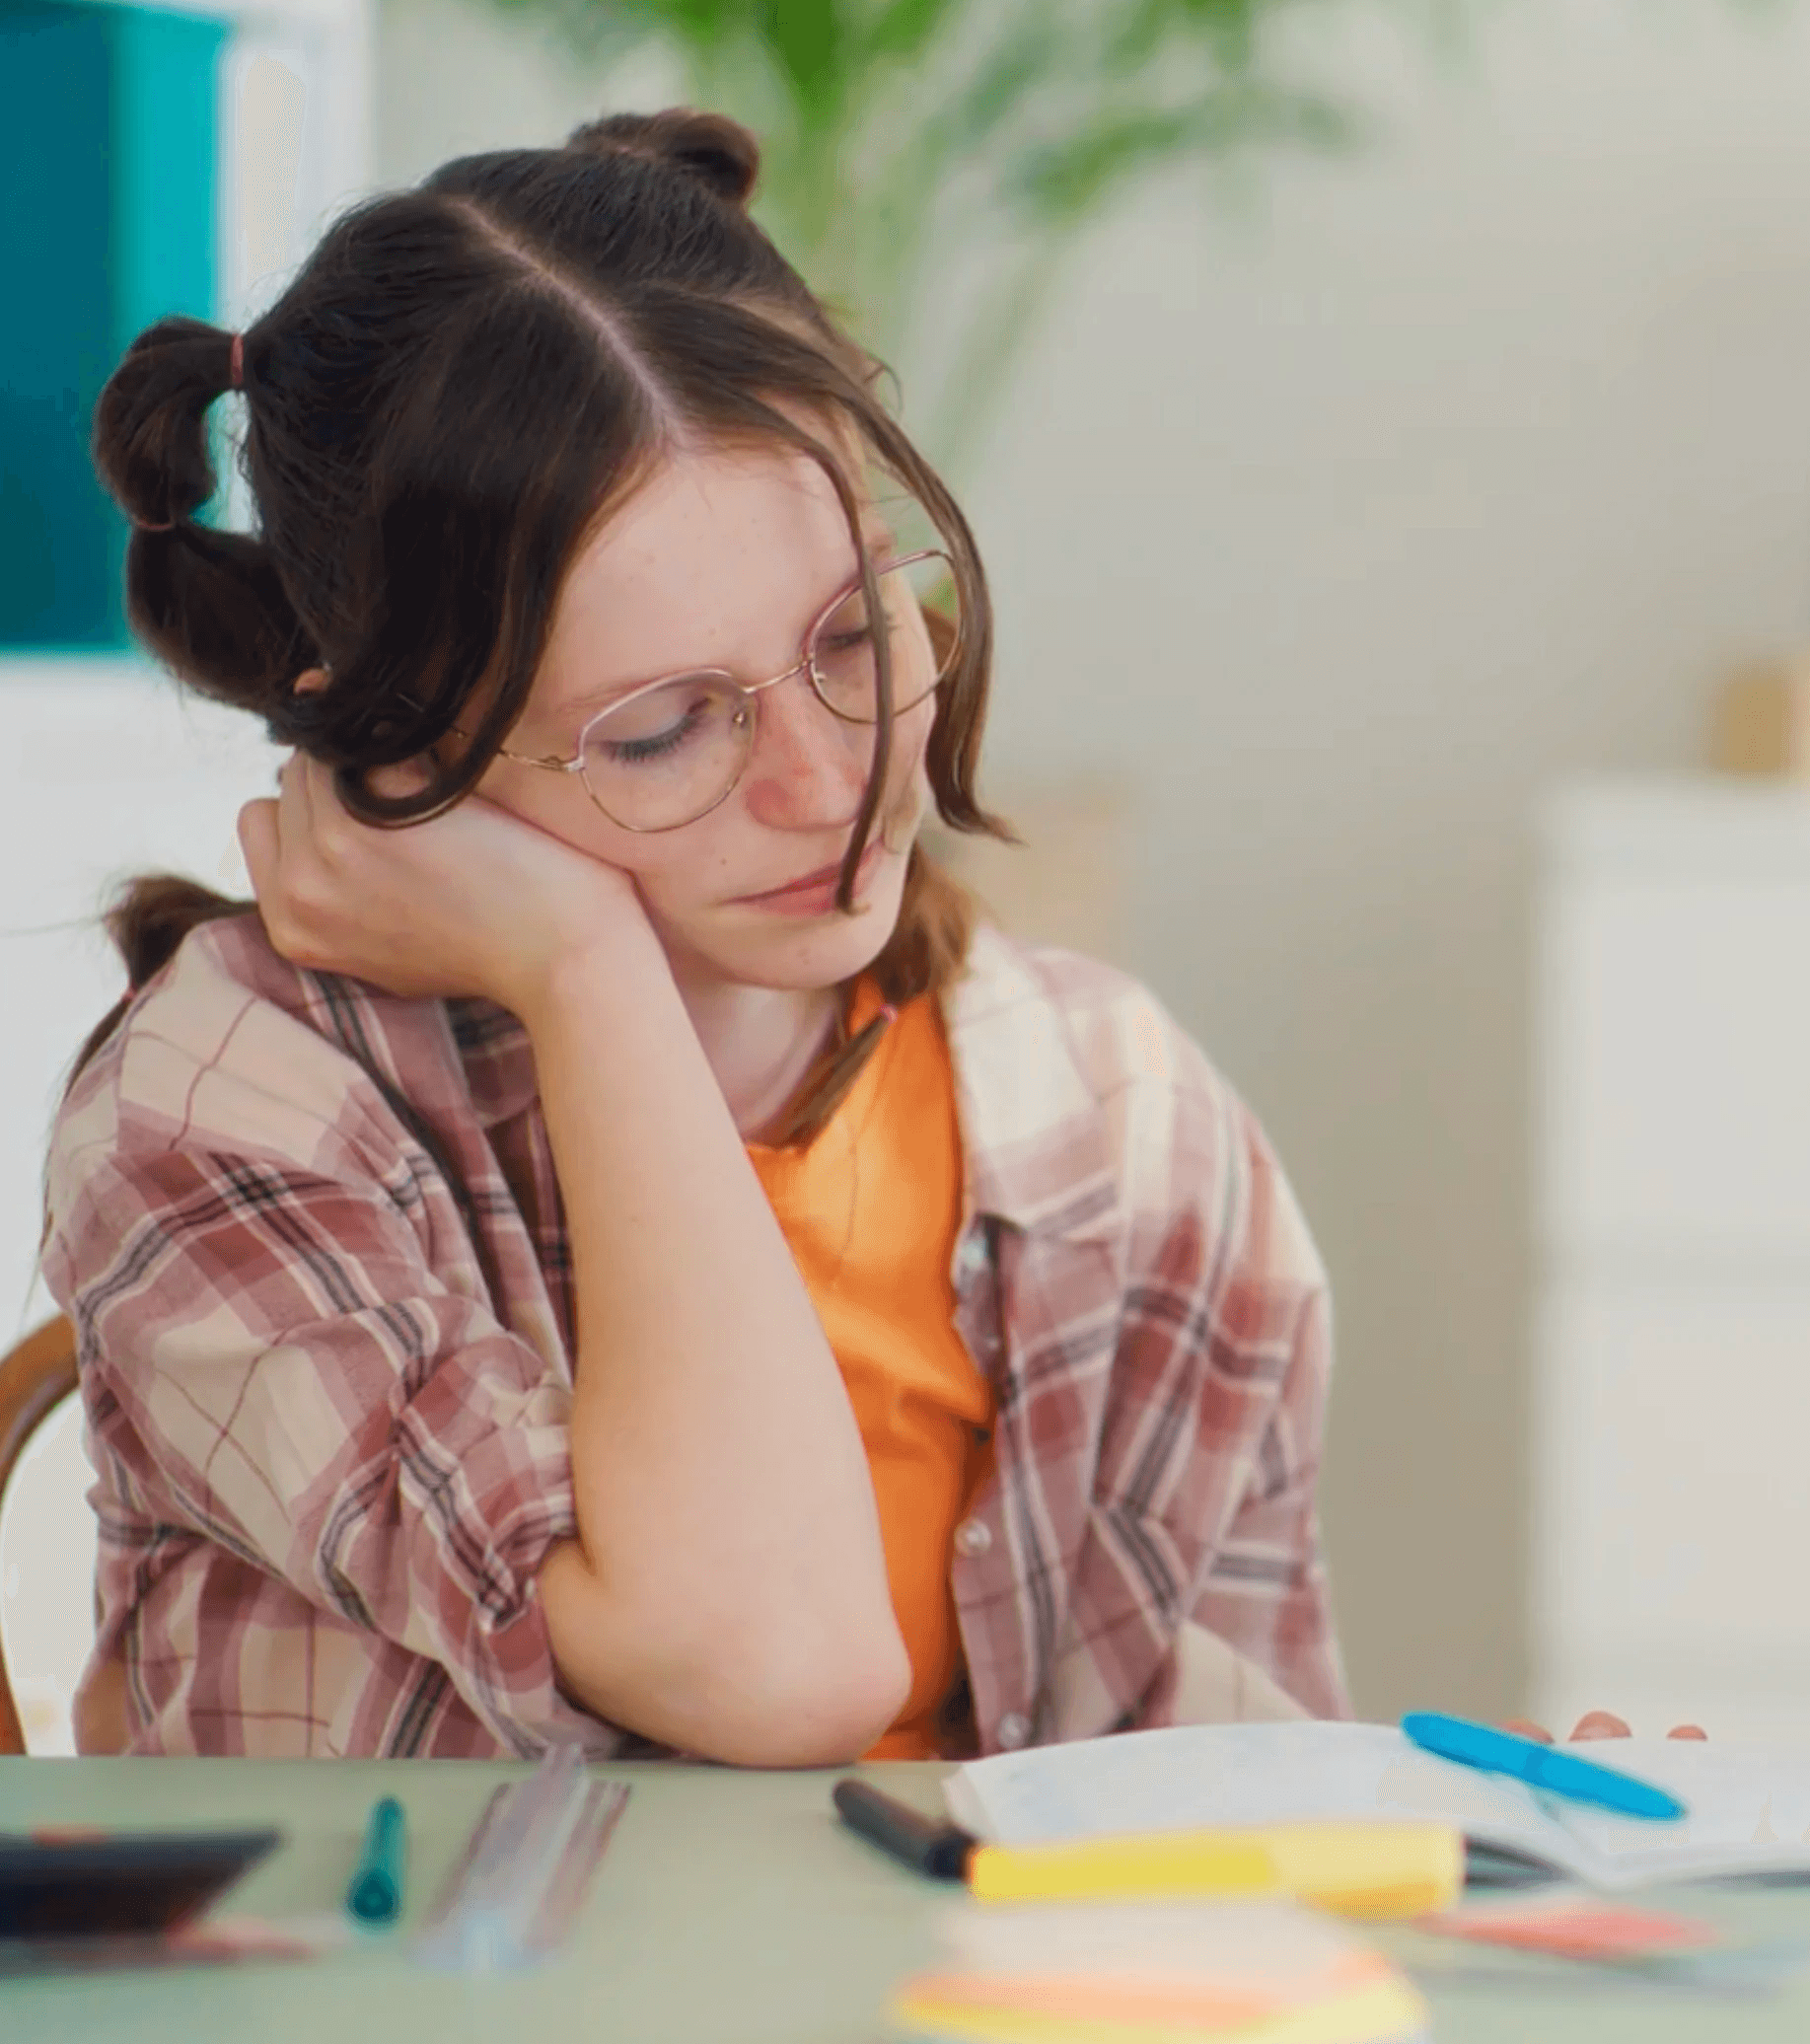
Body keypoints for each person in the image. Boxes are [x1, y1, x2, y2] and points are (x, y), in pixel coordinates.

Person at [47, 110, 1340, 1763]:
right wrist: (584, 975)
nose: (829, 782)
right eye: (661, 731)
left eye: (855, 628)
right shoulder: (227, 1113)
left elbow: (1258, 1824)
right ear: (396, 748)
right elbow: (768, 1666)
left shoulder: (1121, 1121)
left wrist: (1503, 1844)